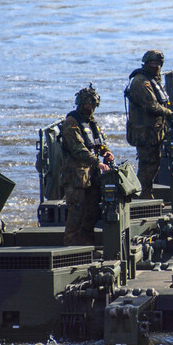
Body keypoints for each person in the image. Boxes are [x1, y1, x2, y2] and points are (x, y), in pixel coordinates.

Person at [61, 84, 114, 246]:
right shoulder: (72, 123)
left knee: (92, 212)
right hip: (76, 176)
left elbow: (99, 142)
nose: (90, 109)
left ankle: (86, 247)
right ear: (80, 104)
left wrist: (106, 152)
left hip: (92, 175)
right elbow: (78, 149)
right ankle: (70, 248)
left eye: (93, 106)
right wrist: (97, 162)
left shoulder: (91, 123)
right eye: (87, 106)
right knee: (76, 213)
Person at [126, 50, 173, 199]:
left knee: (154, 165)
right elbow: (151, 106)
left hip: (154, 133)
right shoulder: (141, 82)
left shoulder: (153, 80)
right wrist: (169, 114)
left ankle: (146, 194)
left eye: (158, 64)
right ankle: (143, 197)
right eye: (152, 63)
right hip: (145, 134)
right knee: (147, 166)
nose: (156, 67)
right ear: (146, 64)